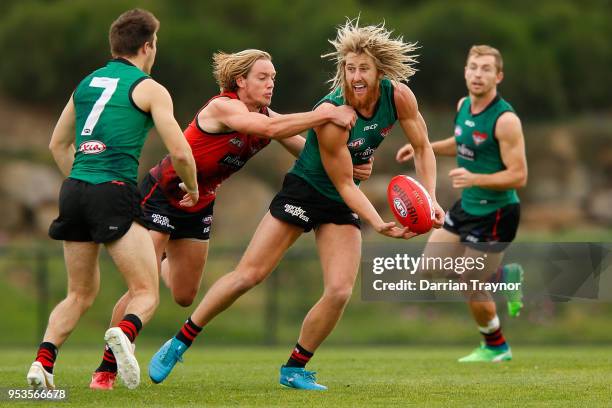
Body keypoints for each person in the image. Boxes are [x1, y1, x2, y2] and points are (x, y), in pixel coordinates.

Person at [148, 18, 444, 390]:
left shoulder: (399, 96)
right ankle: (180, 341)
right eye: (349, 68)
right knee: (249, 275)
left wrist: (430, 199)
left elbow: (422, 148)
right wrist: (378, 222)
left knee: (339, 291)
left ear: (379, 71)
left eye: (363, 69)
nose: (355, 76)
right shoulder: (334, 113)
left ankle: (295, 367)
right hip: (305, 190)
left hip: (340, 202)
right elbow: (343, 182)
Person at [89, 48, 364, 390]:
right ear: (240, 81)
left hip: (199, 205)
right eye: (262, 78)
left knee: (185, 295)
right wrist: (325, 114)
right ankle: (105, 369)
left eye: (273, 78)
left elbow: (301, 146)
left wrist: (347, 165)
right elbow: (274, 127)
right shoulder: (224, 107)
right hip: (164, 194)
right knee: (142, 288)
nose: (270, 85)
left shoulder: (265, 114)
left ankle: (157, 261)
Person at [26, 9, 199, 390]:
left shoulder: (86, 83)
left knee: (79, 293)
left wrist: (82, 181)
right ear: (147, 46)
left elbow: (58, 143)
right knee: (146, 291)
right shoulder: (149, 87)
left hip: (73, 189)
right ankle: (123, 332)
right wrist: (194, 187)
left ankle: (42, 363)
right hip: (114, 191)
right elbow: (182, 153)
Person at [396, 45, 527, 362]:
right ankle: (503, 276)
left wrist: (475, 178)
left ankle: (496, 346)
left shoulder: (506, 120)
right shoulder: (464, 105)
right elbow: (463, 141)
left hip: (497, 212)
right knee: (429, 268)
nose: (477, 74)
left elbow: (519, 175)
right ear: (465, 71)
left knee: (471, 283)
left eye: (485, 69)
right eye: (472, 67)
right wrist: (423, 147)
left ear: (498, 76)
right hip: (467, 205)